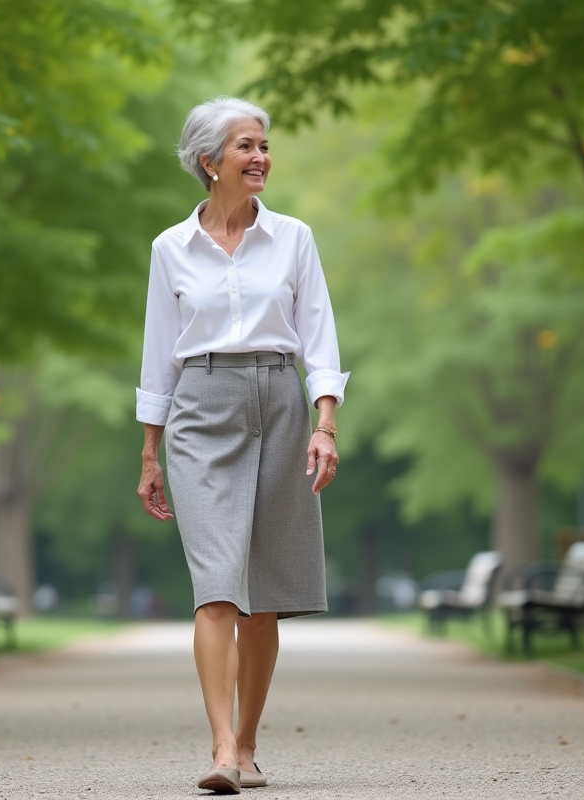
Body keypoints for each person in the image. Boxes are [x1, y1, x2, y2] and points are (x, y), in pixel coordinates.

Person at [136, 96, 349, 794]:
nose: (261, 158)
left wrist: (325, 424)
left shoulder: (294, 238)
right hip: (200, 411)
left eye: (264, 145)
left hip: (280, 405)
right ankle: (222, 749)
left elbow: (318, 338)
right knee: (217, 588)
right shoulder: (170, 248)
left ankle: (250, 745)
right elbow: (158, 357)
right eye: (246, 147)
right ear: (210, 162)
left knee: (264, 595)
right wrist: (149, 453)